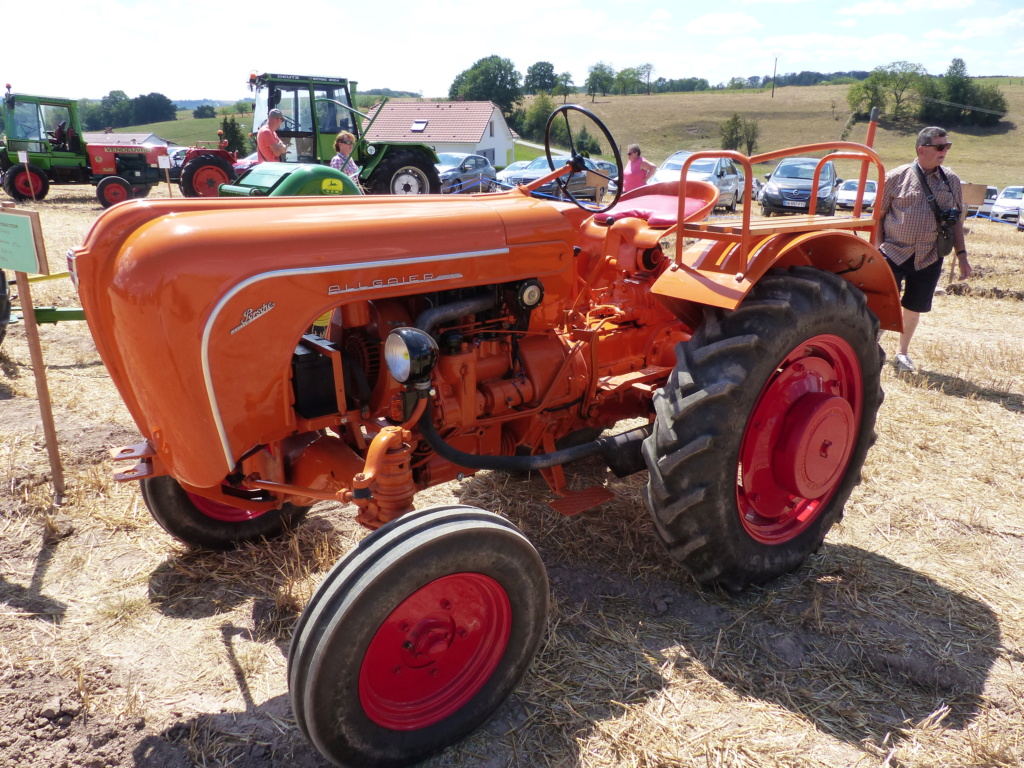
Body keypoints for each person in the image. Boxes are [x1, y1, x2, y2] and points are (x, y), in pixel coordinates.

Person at [876, 126, 972, 373]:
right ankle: (870, 345)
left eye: (947, 147)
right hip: (893, 252)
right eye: (940, 147)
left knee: (915, 306)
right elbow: (879, 216)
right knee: (884, 302)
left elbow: (956, 221)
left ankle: (902, 353)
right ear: (921, 149)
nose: (944, 152)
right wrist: (876, 250)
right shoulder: (896, 177)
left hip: (929, 255)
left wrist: (962, 257)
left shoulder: (950, 181)